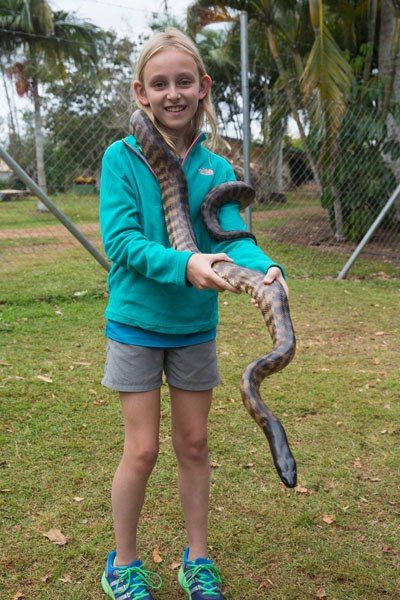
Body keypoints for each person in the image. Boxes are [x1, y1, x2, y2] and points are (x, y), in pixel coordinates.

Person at [99, 27, 288, 600]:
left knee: (195, 444)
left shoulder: (215, 169)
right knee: (143, 449)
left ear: (203, 87)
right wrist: (185, 266)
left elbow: (231, 236)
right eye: (160, 84)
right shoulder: (122, 158)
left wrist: (266, 269)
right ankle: (124, 563)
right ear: (141, 93)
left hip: (193, 329)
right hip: (135, 323)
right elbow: (123, 242)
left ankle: (197, 558)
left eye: (185, 81)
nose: (173, 93)